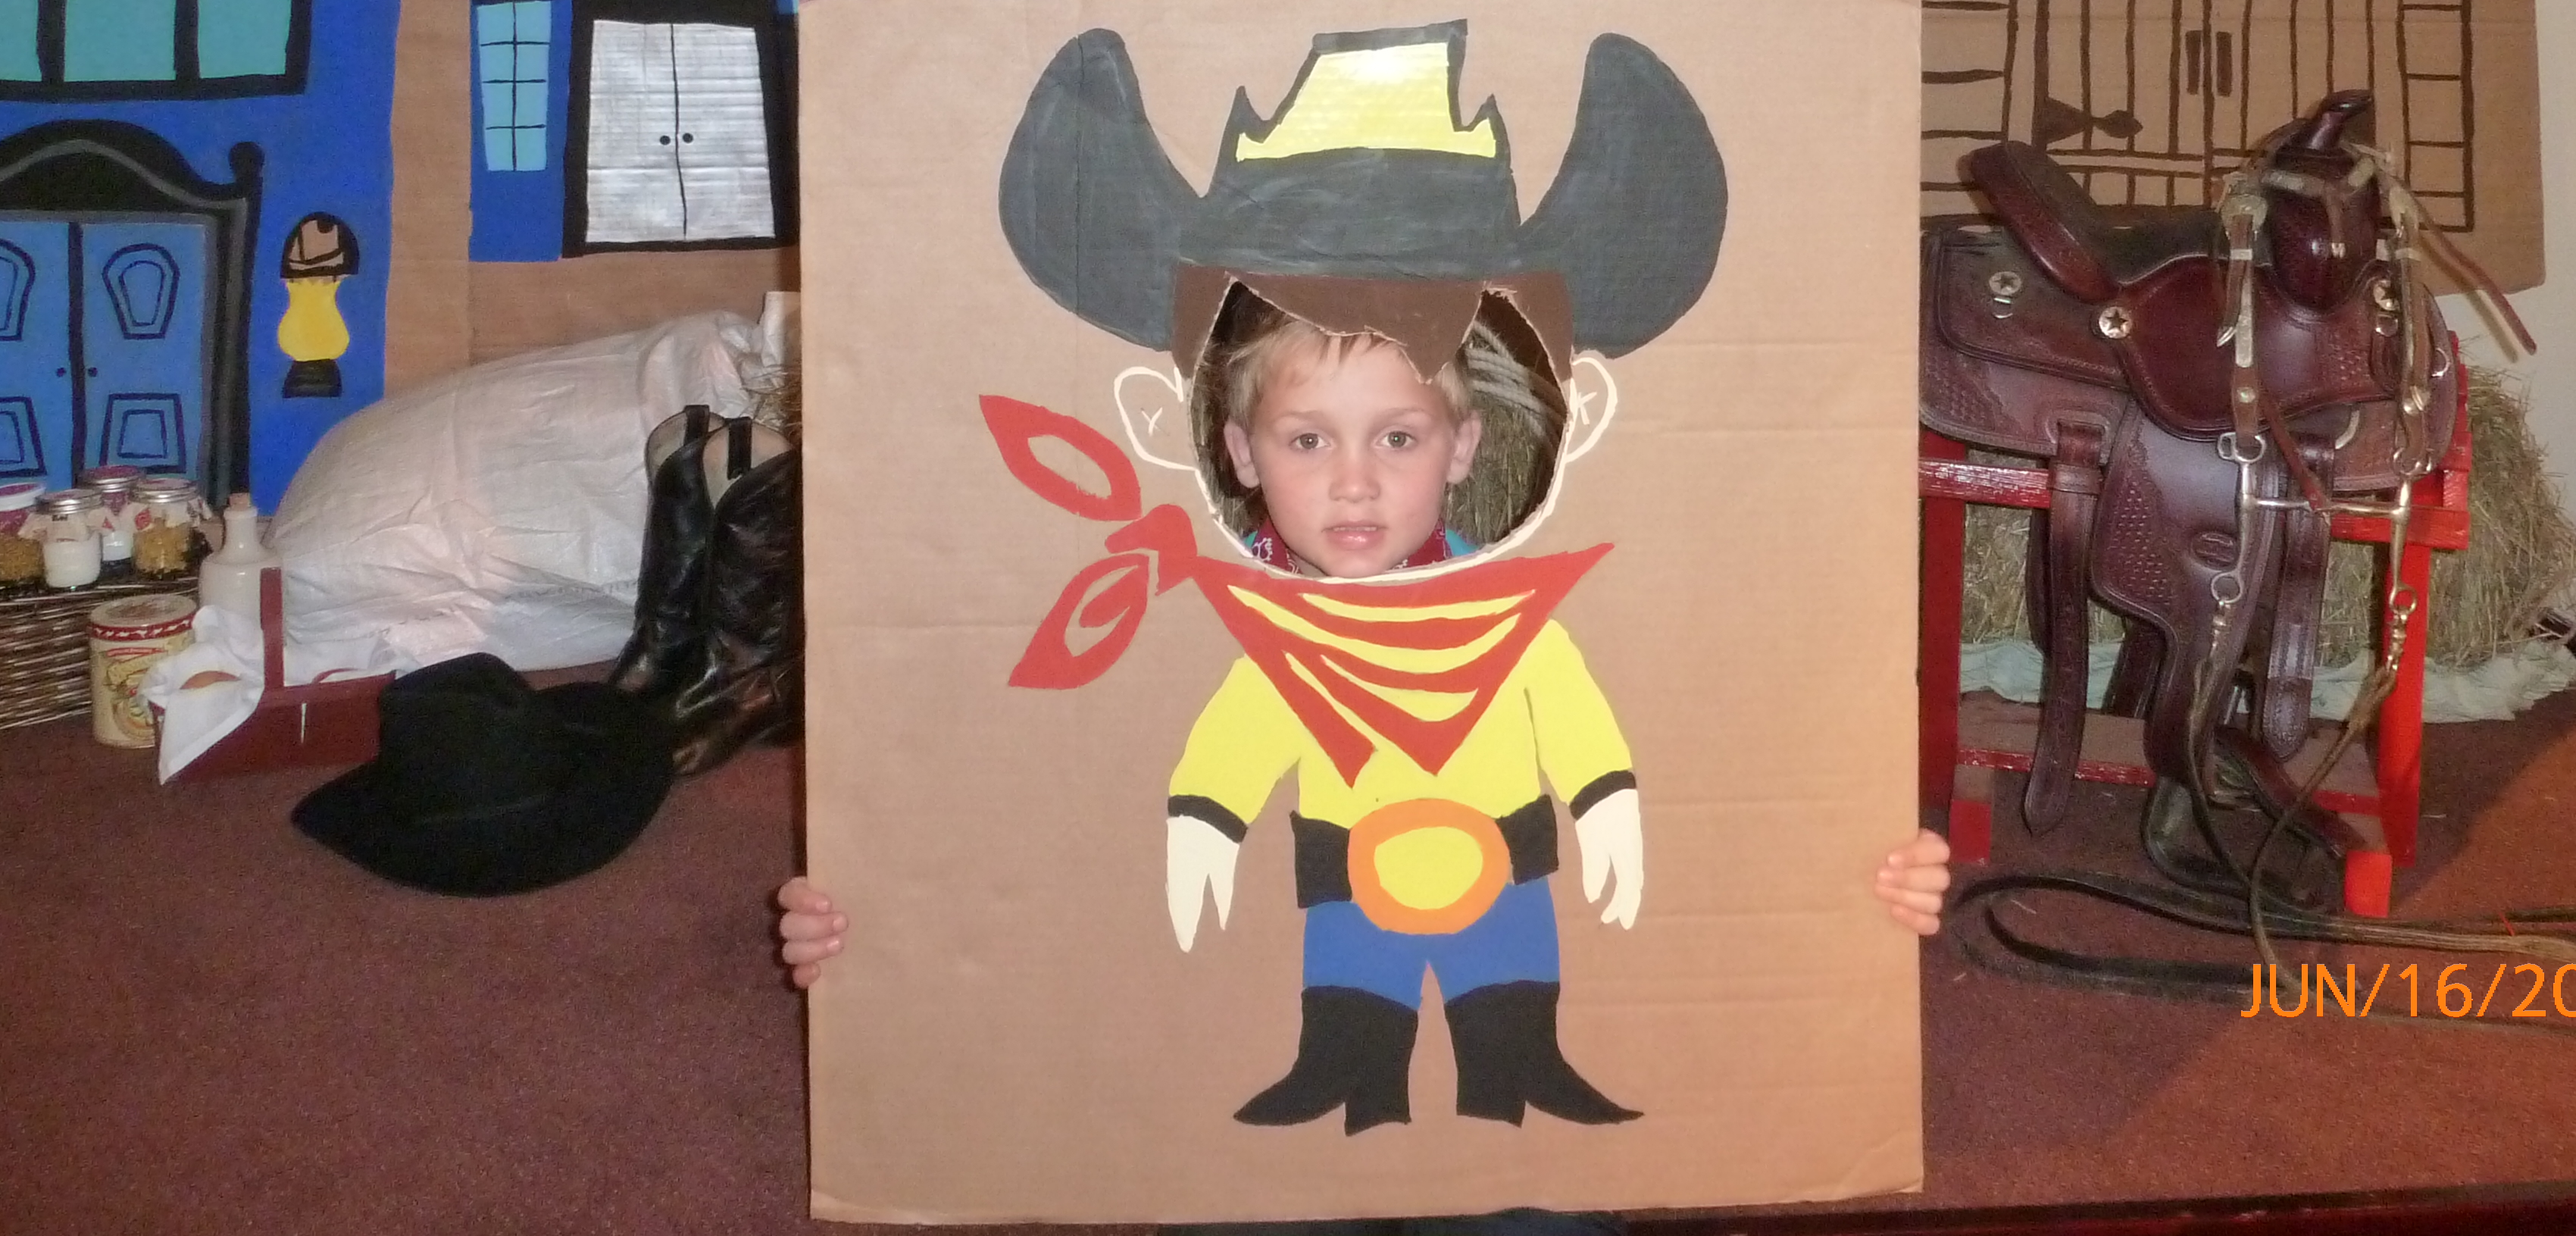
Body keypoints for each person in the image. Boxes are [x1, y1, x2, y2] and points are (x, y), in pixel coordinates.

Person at [776, 307, 1952, 1027]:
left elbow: (1700, 769)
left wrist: (1854, 877)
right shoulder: (1194, 638)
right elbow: (1039, 809)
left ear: (1462, 448)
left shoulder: (1530, 625)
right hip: (1277, 981)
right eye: (1306, 440)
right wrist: (874, 910)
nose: (1354, 481)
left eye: (1398, 437)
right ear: (1239, 455)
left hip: (1505, 924)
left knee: (1531, 1187)